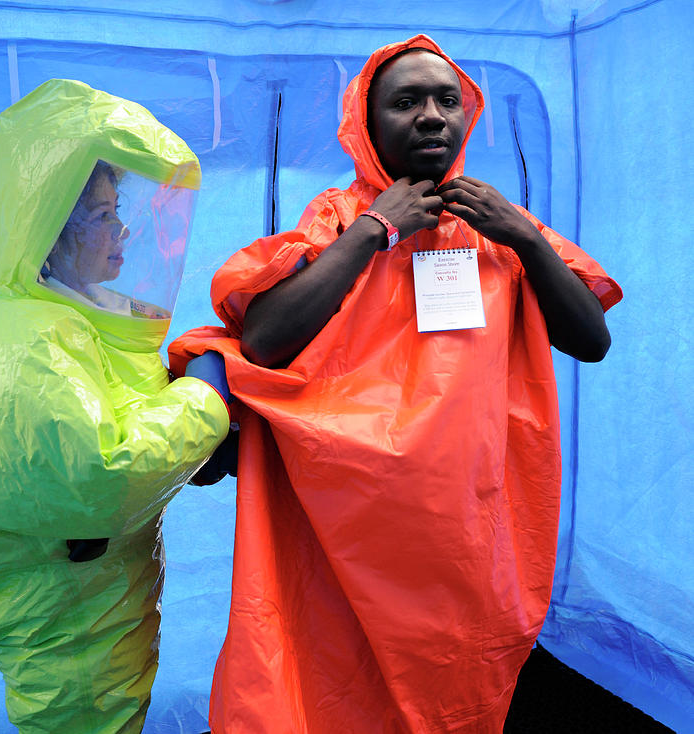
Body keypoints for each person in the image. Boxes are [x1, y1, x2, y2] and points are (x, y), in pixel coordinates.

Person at [169, 35, 622, 733]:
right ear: (366, 123)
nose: (432, 115)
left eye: (447, 100)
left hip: (465, 529)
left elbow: (590, 340)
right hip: (342, 524)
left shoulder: (500, 229)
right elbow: (264, 337)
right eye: (405, 102)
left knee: (450, 686)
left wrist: (526, 239)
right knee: (330, 682)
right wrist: (377, 229)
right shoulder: (337, 219)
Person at [0, 79, 230, 734]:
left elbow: (109, 418)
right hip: (72, 634)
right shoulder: (28, 351)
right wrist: (205, 397)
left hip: (84, 613)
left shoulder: (63, 323)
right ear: (51, 229)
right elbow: (107, 471)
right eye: (104, 216)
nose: (125, 229)